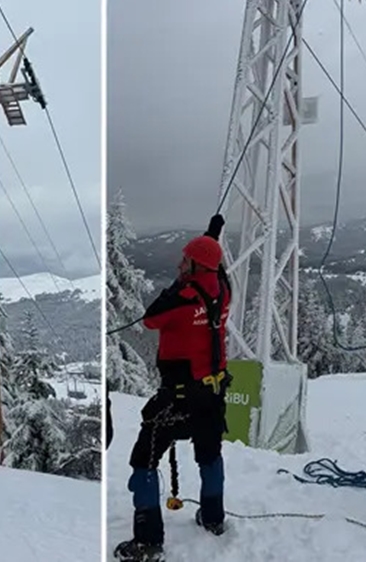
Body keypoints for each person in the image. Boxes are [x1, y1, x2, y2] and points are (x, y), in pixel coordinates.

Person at [114, 214, 230, 562]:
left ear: (195, 266)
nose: (179, 264)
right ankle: (213, 517)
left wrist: (179, 283)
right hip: (212, 393)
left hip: (177, 397)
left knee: (143, 461)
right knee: (209, 454)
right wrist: (211, 238)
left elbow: (150, 317)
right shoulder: (224, 289)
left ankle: (148, 542)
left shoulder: (180, 296)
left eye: (185, 261)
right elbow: (215, 269)